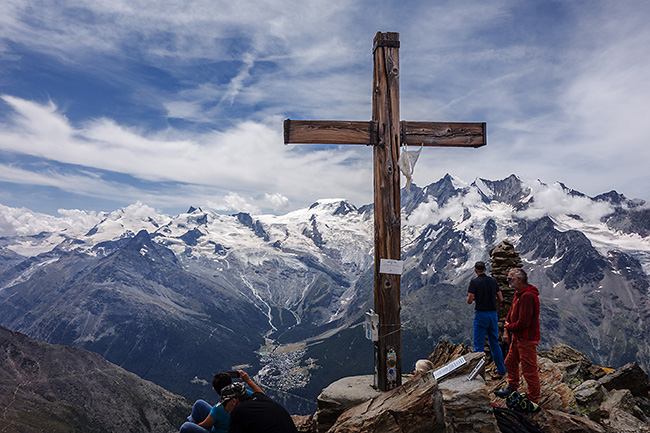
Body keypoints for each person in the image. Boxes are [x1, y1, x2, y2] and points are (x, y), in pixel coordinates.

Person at [495, 268, 541, 412]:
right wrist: (506, 329)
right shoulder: (519, 293)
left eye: (510, 279)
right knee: (509, 362)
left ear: (520, 280)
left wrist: (510, 327)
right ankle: (512, 388)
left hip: (526, 338)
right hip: (517, 337)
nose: (507, 281)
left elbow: (524, 322)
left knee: (529, 370)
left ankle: (532, 399)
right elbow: (510, 314)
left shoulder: (527, 296)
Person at [220, 371, 298, 433]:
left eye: (224, 403)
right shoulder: (260, 398)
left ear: (234, 401)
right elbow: (260, 392)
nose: (223, 407)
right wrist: (248, 381)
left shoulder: (238, 411)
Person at [467, 261, 507, 379]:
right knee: (494, 343)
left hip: (481, 315)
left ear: (475, 270)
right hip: (493, 315)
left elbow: (469, 300)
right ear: (485, 269)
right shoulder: (493, 281)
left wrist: (476, 298)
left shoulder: (474, 282)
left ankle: (478, 374)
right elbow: (501, 298)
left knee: (478, 345)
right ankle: (501, 370)